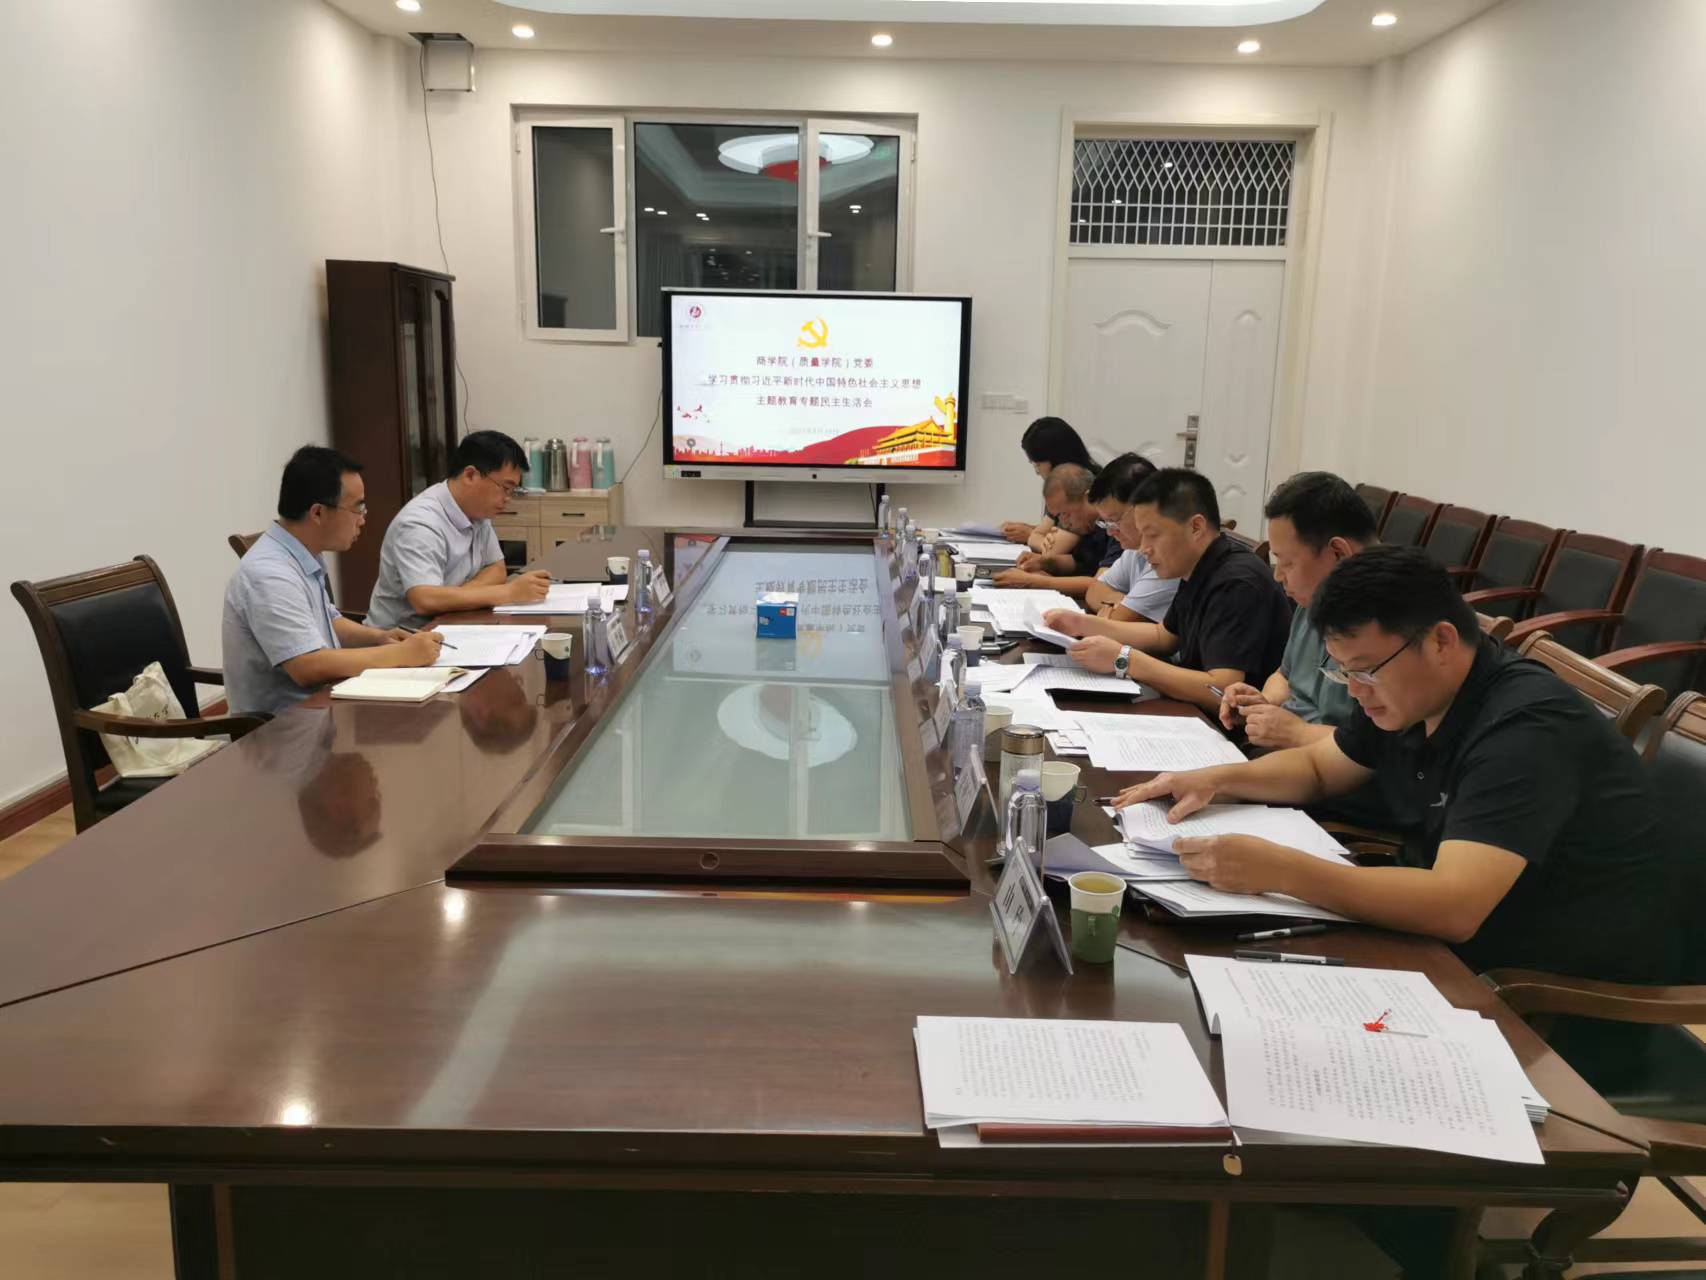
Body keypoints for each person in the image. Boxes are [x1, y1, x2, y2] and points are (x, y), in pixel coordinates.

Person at [1115, 546, 1684, 984]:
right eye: (1343, 672)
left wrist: (1280, 870)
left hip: (1546, 988)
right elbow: (1320, 769)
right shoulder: (1412, 692)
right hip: (1448, 947)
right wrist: (1213, 780)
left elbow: (1455, 905)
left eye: (1365, 670)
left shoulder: (1526, 728)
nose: (1354, 690)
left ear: (1440, 641)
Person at [1043, 468, 1291, 713]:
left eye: (1152, 535)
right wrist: (1082, 624)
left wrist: (1124, 660)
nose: (1144, 549)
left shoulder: (1236, 582)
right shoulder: (1196, 565)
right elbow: (1163, 636)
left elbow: (1221, 688)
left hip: (1233, 726)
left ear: (1196, 527)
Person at [222, 446, 445, 717]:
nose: (363, 520)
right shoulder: (268, 574)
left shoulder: (302, 552)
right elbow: (307, 666)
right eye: (358, 508)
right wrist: (401, 655)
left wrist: (379, 637)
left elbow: (328, 620)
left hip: (325, 708)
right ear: (317, 513)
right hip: (282, 729)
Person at [1217, 471, 1377, 749]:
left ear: (1338, 554)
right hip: (1286, 751)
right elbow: (1285, 675)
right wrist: (1263, 705)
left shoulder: (1393, 621)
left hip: (1331, 765)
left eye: (1287, 563)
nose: (1278, 576)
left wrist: (1298, 733)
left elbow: (1379, 750)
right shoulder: (1313, 596)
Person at [367, 430, 551, 631]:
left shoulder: (478, 511)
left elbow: (496, 569)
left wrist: (455, 598)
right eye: (505, 488)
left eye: (513, 491)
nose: (508, 498)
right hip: (401, 639)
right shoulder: (420, 523)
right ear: (470, 475)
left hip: (450, 625)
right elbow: (425, 599)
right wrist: (508, 593)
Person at [1081, 453, 1176, 622]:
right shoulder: (1134, 547)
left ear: (1143, 508)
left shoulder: (1171, 554)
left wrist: (1115, 607)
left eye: (1114, 520)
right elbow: (1094, 589)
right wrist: (1113, 599)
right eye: (1106, 523)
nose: (1110, 532)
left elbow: (1122, 618)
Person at [991, 464, 1108, 596]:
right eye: (1058, 517)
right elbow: (1080, 562)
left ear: (1088, 498)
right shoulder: (1091, 527)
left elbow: (1100, 585)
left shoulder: (1113, 528)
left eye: (1065, 514)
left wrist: (1034, 582)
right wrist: (1044, 562)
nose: (1064, 524)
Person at [999, 417, 1097, 555]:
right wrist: (1031, 531)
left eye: (1038, 464)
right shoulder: (1060, 488)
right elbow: (1043, 532)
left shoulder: (1080, 487)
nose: (1036, 471)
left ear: (1056, 458)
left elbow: (1053, 549)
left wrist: (1030, 534)